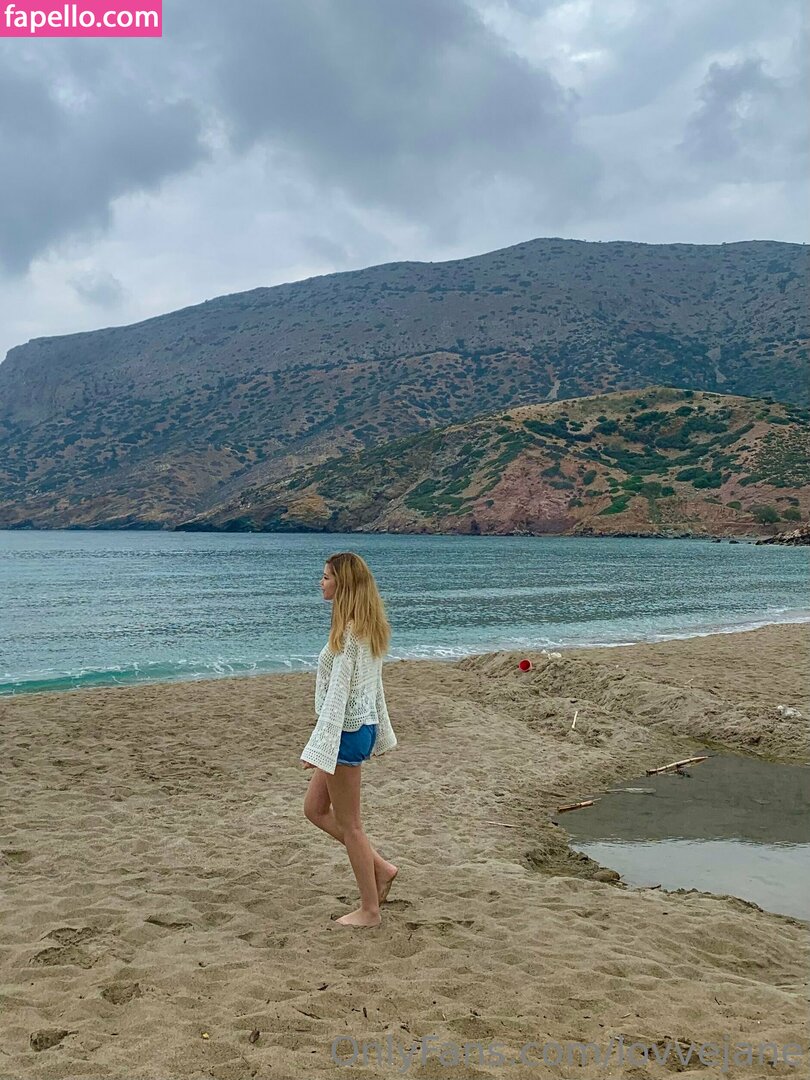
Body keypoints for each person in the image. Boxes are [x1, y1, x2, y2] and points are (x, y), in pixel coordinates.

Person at [301, 552, 398, 927]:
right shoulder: (363, 627)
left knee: (351, 826)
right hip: (355, 729)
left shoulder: (350, 634)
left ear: (343, 584)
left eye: (326, 577)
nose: (321, 582)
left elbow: (339, 696)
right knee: (314, 809)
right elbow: (373, 690)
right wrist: (378, 731)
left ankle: (370, 910)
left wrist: (318, 747)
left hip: (345, 732)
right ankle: (382, 869)